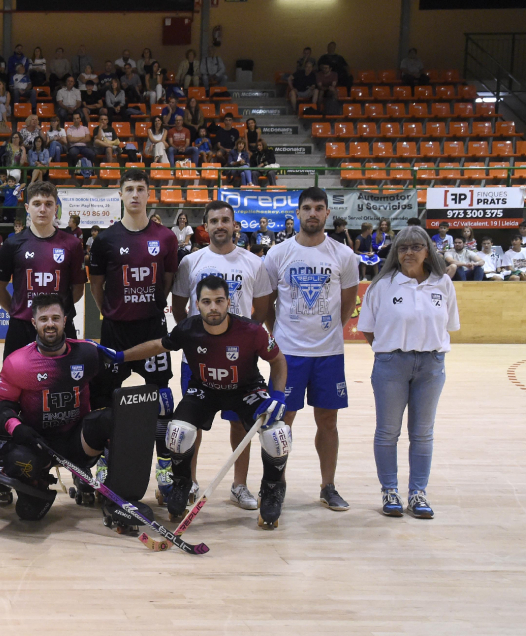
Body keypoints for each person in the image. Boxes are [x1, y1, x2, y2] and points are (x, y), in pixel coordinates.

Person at [111, 275, 290, 528]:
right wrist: (120, 356)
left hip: (246, 390)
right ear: (197, 304)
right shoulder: (188, 329)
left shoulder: (252, 331)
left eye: (219, 301)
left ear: (229, 302)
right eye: (206, 301)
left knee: (277, 434)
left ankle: (272, 488)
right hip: (204, 389)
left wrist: (279, 394)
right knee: (177, 432)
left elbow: (278, 360)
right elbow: (157, 345)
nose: (213, 307)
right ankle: (182, 483)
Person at [170, 200, 275, 510]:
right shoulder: (191, 261)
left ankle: (239, 486)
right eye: (213, 220)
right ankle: (188, 483)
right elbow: (178, 306)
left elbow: (263, 305)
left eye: (225, 220)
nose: (219, 225)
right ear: (205, 226)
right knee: (190, 424)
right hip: (198, 360)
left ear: (234, 225)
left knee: (240, 425)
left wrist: (247, 337)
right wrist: (195, 337)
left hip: (240, 362)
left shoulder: (253, 263)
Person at [263, 186, 360, 511]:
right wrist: (279, 334)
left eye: (319, 208)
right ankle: (276, 484)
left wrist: (329, 329)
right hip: (288, 354)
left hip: (328, 353)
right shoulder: (278, 254)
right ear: (298, 212)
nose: (313, 213)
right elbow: (265, 304)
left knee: (328, 421)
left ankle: (328, 486)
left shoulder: (343, 255)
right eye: (307, 208)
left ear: (327, 214)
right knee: (281, 420)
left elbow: (347, 304)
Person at [87, 169, 181, 492]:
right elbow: (96, 285)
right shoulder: (105, 240)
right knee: (103, 397)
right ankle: (104, 460)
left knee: (163, 399)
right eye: (130, 189)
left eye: (141, 189)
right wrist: (110, 313)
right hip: (115, 331)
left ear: (149, 193)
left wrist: (150, 306)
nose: (136, 195)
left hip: (153, 331)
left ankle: (165, 469)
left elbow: (167, 282)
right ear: (121, 195)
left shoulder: (166, 238)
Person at [0, 294, 124, 521]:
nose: (50, 324)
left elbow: (105, 393)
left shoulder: (88, 353)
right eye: (43, 319)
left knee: (115, 419)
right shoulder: (17, 362)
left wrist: (105, 423)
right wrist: (18, 428)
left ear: (65, 320)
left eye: (55, 318)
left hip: (77, 440)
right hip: (38, 443)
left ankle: (114, 491)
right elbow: (3, 409)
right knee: (28, 512)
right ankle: (37, 482)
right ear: (34, 323)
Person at [358, 226, 457, 519]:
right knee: (388, 432)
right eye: (403, 248)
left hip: (432, 366)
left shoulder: (443, 284)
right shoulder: (382, 285)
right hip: (392, 365)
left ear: (428, 250)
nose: (409, 252)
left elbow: (448, 325)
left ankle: (418, 493)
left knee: (423, 433)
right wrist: (389, 353)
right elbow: (367, 328)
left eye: (416, 246)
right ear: (395, 253)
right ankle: (390, 491)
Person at [0, 181, 86, 359]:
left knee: (67, 382)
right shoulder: (12, 244)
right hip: (22, 326)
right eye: (37, 204)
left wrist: (56, 312)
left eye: (48, 204)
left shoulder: (72, 244)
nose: (43, 209)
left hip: (59, 326)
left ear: (56, 208)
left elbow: (78, 288)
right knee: (16, 381)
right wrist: (18, 310)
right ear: (27, 207)